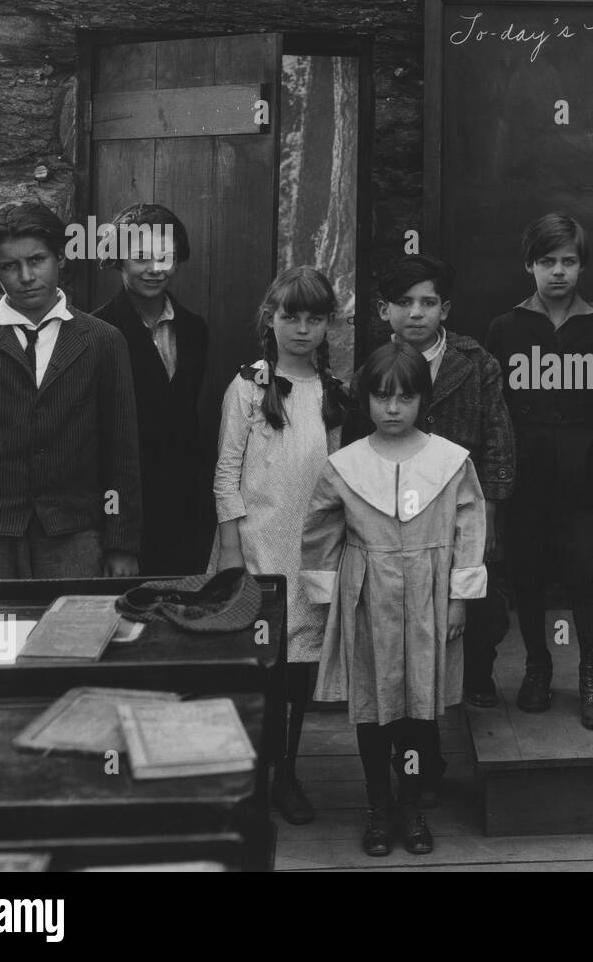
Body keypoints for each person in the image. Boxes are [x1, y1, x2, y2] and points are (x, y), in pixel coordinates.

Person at [302, 342, 487, 857]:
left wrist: (459, 599)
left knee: (416, 711)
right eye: (382, 397)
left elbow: (471, 530)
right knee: (373, 706)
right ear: (366, 400)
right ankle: (377, 806)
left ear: (421, 400)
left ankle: (412, 804)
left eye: (404, 397)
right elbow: (319, 532)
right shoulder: (344, 466)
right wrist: (324, 596)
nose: (392, 408)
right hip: (369, 596)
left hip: (429, 594)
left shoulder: (450, 462)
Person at [0, 203, 141, 609]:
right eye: (9, 266)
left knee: (70, 655)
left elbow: (120, 452)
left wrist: (120, 542)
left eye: (37, 260)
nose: (25, 277)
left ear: (60, 257)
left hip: (74, 536)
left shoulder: (103, 342)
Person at [212, 266, 348, 826]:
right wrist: (232, 552)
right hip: (255, 548)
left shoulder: (332, 393)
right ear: (271, 317)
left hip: (309, 550)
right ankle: (248, 773)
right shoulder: (248, 385)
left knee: (296, 674)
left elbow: (338, 476)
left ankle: (287, 772)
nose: (302, 328)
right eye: (290, 316)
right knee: (255, 668)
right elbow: (226, 474)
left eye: (314, 318)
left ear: (327, 326)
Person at [356, 254, 514, 709]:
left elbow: (498, 439)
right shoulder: (373, 362)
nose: (416, 313)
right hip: (394, 508)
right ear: (385, 309)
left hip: (459, 503)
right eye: (404, 303)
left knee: (474, 597)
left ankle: (477, 673)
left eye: (428, 303)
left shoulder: (475, 363)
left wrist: (489, 511)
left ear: (445, 309)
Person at [485, 213, 593, 725]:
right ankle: (537, 666)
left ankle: (591, 673)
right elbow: (495, 410)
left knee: (588, 577)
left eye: (568, 261)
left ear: (582, 265)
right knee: (529, 576)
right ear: (529, 266)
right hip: (527, 477)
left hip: (584, 479)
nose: (558, 272)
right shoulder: (507, 327)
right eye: (547, 262)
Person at [93, 203, 211, 574]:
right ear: (119, 261)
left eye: (165, 256)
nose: (155, 269)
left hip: (185, 504)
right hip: (125, 509)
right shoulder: (97, 332)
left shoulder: (194, 329)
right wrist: (115, 535)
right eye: (141, 257)